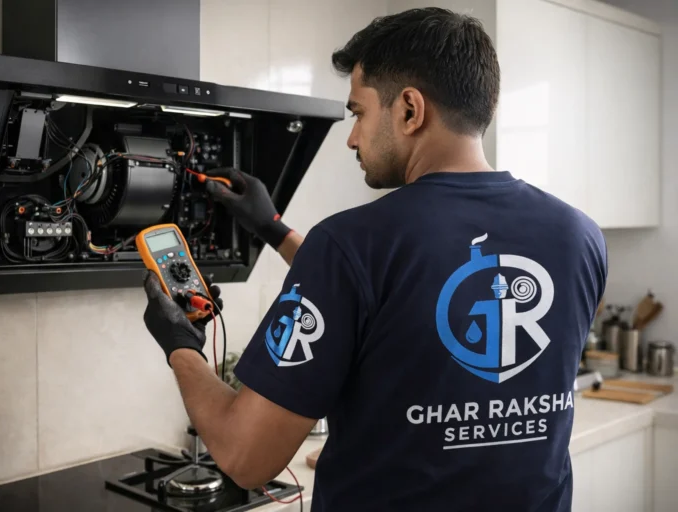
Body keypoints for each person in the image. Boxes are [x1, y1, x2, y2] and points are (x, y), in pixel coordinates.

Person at [141, 7, 607, 511]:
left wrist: (180, 345)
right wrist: (273, 230)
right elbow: (405, 298)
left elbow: (245, 455)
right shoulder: (579, 236)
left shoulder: (351, 243)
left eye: (359, 113)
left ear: (410, 109)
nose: (352, 137)